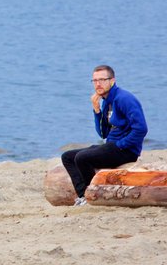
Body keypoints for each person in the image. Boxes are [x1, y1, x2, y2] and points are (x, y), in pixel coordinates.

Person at [61, 65, 148, 206]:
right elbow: (103, 133)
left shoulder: (124, 99)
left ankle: (93, 195)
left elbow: (141, 129)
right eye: (95, 80)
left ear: (112, 80)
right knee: (68, 157)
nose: (98, 84)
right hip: (111, 146)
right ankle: (84, 195)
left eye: (102, 79)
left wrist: (121, 145)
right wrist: (96, 110)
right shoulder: (107, 101)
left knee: (82, 158)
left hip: (126, 150)